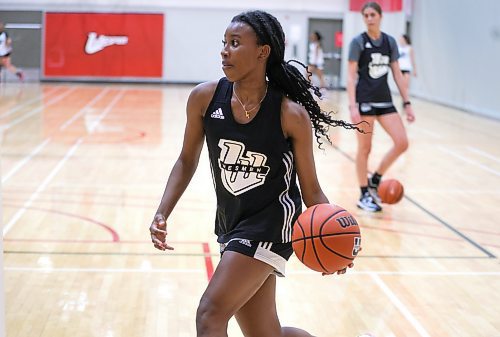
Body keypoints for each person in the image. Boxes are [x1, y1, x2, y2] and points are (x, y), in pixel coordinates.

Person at [149, 10, 361, 337]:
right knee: (266, 335)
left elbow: (312, 191)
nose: (224, 50)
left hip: (273, 224)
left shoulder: (289, 114)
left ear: (263, 52)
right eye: (224, 43)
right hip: (231, 223)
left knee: (209, 314)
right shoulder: (205, 99)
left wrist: (338, 240)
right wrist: (162, 212)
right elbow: (186, 160)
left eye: (235, 43)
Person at [346, 2, 415, 212]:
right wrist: (352, 106)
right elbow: (350, 76)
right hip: (365, 101)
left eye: (372, 14)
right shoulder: (358, 42)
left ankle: (375, 179)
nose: (369, 18)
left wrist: (407, 103)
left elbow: (397, 74)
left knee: (402, 142)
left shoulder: (389, 42)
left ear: (380, 16)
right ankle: (364, 194)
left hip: (385, 100)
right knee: (365, 149)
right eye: (365, 15)